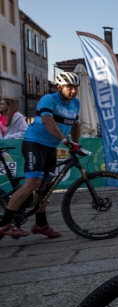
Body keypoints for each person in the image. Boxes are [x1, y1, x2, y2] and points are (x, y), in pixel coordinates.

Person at [0, 72, 82, 238]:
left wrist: (76, 143)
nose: (73, 91)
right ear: (60, 87)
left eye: (75, 88)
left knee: (45, 187)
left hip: (51, 146)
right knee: (34, 182)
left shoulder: (75, 103)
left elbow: (75, 125)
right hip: (35, 143)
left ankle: (41, 224)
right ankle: (5, 224)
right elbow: (47, 121)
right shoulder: (48, 99)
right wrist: (66, 142)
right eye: (69, 87)